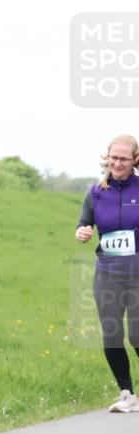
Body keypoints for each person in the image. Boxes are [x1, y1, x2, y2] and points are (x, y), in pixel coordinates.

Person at [76, 134, 139, 413]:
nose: (117, 163)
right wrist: (83, 233)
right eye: (114, 157)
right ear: (107, 157)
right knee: (111, 334)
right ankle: (127, 394)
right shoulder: (96, 193)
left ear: (135, 160)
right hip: (108, 273)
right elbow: (83, 225)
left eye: (124, 158)